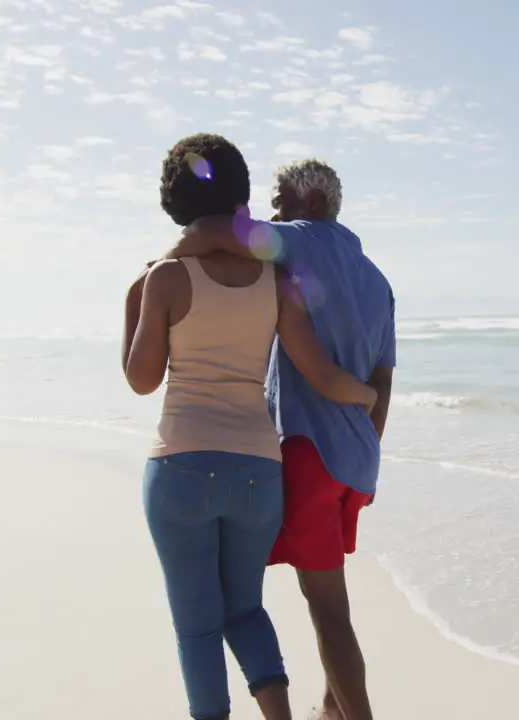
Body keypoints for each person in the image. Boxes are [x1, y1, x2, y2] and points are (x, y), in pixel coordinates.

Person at [122, 134, 378, 720]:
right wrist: (367, 396)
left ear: (173, 203)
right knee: (245, 609)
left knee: (197, 628)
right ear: (242, 201)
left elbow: (141, 379)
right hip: (260, 473)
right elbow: (319, 371)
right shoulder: (278, 283)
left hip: (181, 464)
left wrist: (134, 298)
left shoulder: (164, 277)